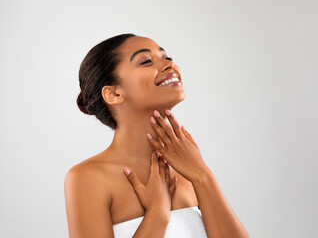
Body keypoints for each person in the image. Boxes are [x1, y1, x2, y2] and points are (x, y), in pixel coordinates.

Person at [64, 33, 249, 238]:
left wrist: (202, 175)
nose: (169, 65)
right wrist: (157, 213)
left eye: (167, 58)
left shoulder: (188, 170)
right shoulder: (88, 178)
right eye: (146, 61)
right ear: (114, 94)